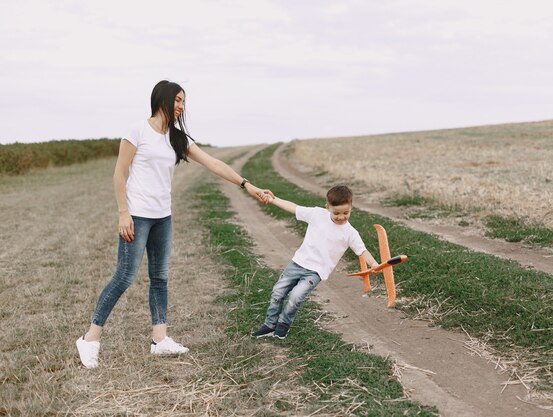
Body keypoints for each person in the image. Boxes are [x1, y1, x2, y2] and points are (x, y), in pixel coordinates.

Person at [76, 80, 273, 368]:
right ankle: (90, 339)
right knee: (125, 276)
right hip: (137, 216)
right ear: (162, 100)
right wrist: (123, 212)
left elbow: (213, 163)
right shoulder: (137, 131)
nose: (181, 106)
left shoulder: (176, 138)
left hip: (162, 217)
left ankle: (160, 339)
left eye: (183, 101)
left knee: (160, 277)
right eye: (178, 100)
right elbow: (119, 174)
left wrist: (246, 185)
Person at [251, 185, 379, 339]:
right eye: (336, 213)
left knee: (295, 297)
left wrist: (373, 264)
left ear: (351, 207)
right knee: (278, 292)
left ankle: (284, 324)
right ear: (328, 207)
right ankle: (269, 324)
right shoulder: (317, 214)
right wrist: (273, 199)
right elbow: (294, 208)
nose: (341, 217)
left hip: (316, 272)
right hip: (297, 263)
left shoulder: (350, 233)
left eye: (346, 212)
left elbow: (362, 250)